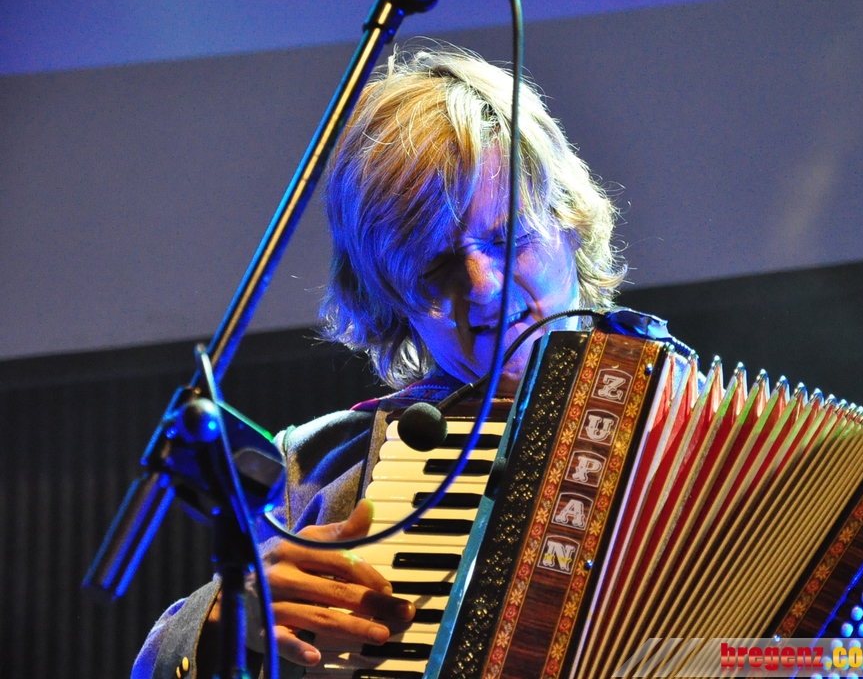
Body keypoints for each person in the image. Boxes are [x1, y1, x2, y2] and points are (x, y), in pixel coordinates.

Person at [133, 46, 626, 678]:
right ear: (385, 296)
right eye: (435, 262)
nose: (483, 286)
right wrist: (223, 623)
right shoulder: (313, 471)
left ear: (570, 225)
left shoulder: (704, 431)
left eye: (509, 238)